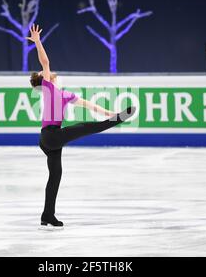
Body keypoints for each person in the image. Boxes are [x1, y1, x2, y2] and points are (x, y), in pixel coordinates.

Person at [26, 24, 135, 229]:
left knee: (55, 177)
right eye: (44, 73)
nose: (48, 71)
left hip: (49, 141)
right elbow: (45, 61)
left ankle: (47, 215)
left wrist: (109, 112)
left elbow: (89, 104)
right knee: (85, 127)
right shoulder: (48, 89)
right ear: (44, 79)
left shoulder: (65, 95)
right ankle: (116, 121)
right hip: (51, 135)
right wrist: (38, 41)